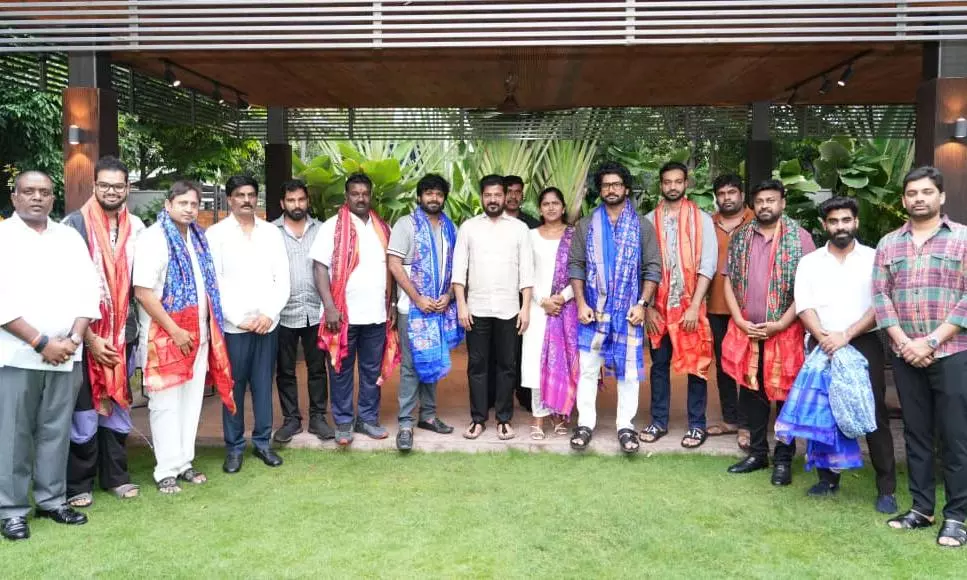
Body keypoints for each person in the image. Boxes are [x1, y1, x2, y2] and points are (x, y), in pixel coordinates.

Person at [0, 171, 100, 541]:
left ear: (53, 198)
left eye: (44, 192)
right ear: (15, 197)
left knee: (56, 430)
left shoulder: (69, 237)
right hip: (18, 354)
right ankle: (11, 509)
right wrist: (41, 342)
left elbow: (89, 289)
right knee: (14, 433)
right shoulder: (4, 238)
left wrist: (74, 338)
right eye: (28, 191)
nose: (37, 198)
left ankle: (52, 500)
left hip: (66, 353)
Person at [873, 166, 967, 548]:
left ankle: (957, 517)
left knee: (956, 437)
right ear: (904, 200)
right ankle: (922, 509)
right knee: (915, 435)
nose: (919, 199)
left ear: (940, 197)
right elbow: (881, 297)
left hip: (952, 353)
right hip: (905, 354)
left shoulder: (962, 239)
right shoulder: (888, 244)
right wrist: (904, 343)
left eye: (926, 192)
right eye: (912, 193)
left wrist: (929, 342)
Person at [794, 196, 897, 513]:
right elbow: (804, 305)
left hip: (862, 343)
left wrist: (846, 335)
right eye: (834, 221)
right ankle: (828, 479)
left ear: (856, 222)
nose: (840, 226)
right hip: (822, 343)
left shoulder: (874, 258)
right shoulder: (810, 262)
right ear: (824, 225)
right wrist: (825, 337)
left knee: (872, 411)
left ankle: (886, 489)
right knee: (825, 413)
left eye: (846, 220)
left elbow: (880, 305)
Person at [134, 180, 236, 494]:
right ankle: (165, 470)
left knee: (191, 402)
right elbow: (143, 292)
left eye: (194, 204)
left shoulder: (198, 238)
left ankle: (183, 462)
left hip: (198, 334)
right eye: (183, 204)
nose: (190, 209)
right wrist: (175, 330)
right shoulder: (153, 238)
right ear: (168, 205)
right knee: (165, 403)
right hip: (164, 337)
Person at [63, 156, 145, 508]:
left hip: (124, 334)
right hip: (84, 336)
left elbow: (141, 283)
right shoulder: (73, 226)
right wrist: (91, 339)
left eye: (118, 186)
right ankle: (78, 484)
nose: (111, 191)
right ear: (94, 186)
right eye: (105, 185)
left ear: (127, 188)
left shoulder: (137, 227)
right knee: (83, 412)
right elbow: (64, 286)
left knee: (118, 405)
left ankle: (116, 477)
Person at [723, 179, 814, 485]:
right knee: (753, 394)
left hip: (784, 332)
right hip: (748, 331)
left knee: (785, 396)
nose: (765, 206)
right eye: (760, 201)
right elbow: (728, 281)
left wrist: (782, 323)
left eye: (771, 200)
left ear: (782, 203)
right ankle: (758, 453)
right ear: (754, 204)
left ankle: (784, 459)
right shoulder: (741, 237)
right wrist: (739, 320)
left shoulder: (800, 238)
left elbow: (808, 288)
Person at [567, 162, 661, 454]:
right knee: (588, 369)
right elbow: (576, 265)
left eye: (616, 184)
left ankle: (625, 426)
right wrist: (581, 303)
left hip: (628, 311)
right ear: (600, 190)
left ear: (626, 189)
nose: (611, 189)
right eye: (606, 185)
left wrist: (642, 304)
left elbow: (652, 267)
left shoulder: (642, 226)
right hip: (593, 311)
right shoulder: (586, 225)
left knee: (628, 371)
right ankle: (585, 424)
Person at [207, 176, 289, 473]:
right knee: (234, 386)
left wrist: (268, 314)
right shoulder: (216, 234)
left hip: (267, 324)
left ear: (257, 198)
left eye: (251, 194)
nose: (246, 200)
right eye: (240, 195)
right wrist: (238, 318)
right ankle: (234, 447)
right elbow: (214, 282)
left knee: (263, 385)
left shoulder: (271, 233)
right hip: (235, 327)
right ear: (229, 199)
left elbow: (283, 278)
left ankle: (263, 443)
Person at [310, 173, 399, 447]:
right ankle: (344, 422)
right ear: (346, 196)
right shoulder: (332, 227)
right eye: (355, 193)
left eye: (365, 193)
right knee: (340, 369)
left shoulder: (383, 228)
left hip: (377, 313)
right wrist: (330, 306)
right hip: (343, 315)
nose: (361, 198)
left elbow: (392, 268)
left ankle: (368, 419)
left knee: (372, 371)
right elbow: (319, 267)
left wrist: (392, 303)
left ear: (371, 196)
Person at [453, 174, 534, 440]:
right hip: (476, 309)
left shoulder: (519, 229)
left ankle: (503, 419)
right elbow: (459, 271)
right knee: (477, 365)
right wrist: (462, 305)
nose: (493, 200)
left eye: (497, 195)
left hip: (509, 309)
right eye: (488, 195)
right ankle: (478, 419)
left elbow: (527, 272)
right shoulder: (469, 228)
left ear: (505, 196)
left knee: (507, 365)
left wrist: (525, 308)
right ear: (481, 197)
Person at [642, 162, 716, 449]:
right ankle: (659, 421)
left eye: (678, 181)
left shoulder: (702, 220)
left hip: (689, 306)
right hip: (658, 308)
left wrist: (695, 306)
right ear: (661, 185)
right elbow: (643, 267)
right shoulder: (649, 220)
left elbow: (707, 266)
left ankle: (697, 425)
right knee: (659, 366)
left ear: (686, 184)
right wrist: (648, 307)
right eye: (667, 182)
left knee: (696, 366)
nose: (672, 186)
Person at [387, 174, 463, 451]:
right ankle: (406, 423)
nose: (434, 198)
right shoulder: (406, 224)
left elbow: (456, 267)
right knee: (411, 366)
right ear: (419, 197)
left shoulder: (450, 228)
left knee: (434, 359)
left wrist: (449, 296)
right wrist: (418, 298)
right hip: (413, 309)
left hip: (439, 307)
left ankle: (428, 416)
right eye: (429, 193)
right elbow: (394, 264)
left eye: (439, 194)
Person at [272, 179, 332, 443]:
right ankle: (291, 420)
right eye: (291, 200)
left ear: (307, 201)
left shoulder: (322, 230)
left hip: (316, 310)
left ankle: (318, 418)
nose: (297, 205)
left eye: (301, 199)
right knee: (285, 370)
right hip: (282, 312)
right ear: (282, 203)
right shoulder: (270, 232)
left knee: (317, 368)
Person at [520, 187, 579, 439]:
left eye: (556, 203)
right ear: (540, 209)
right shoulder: (530, 236)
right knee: (536, 364)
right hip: (537, 309)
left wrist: (563, 297)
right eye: (546, 204)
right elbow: (524, 272)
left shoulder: (574, 235)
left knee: (561, 363)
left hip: (566, 308)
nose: (551, 207)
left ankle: (559, 413)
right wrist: (542, 301)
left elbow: (581, 271)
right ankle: (538, 417)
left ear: (563, 207)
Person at [707, 174, 754, 449]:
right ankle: (730, 419)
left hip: (748, 308)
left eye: (732, 192)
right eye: (722, 193)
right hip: (715, 305)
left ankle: (747, 424)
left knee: (748, 365)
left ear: (741, 194)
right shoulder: (707, 224)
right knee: (723, 365)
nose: (727, 198)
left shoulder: (756, 220)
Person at [501, 175, 539, 413]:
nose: (513, 196)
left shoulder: (532, 225)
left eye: (517, 191)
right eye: (509, 191)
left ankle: (524, 394)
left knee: (525, 347)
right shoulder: (491, 222)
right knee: (500, 349)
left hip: (526, 296)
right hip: (499, 294)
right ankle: (497, 395)